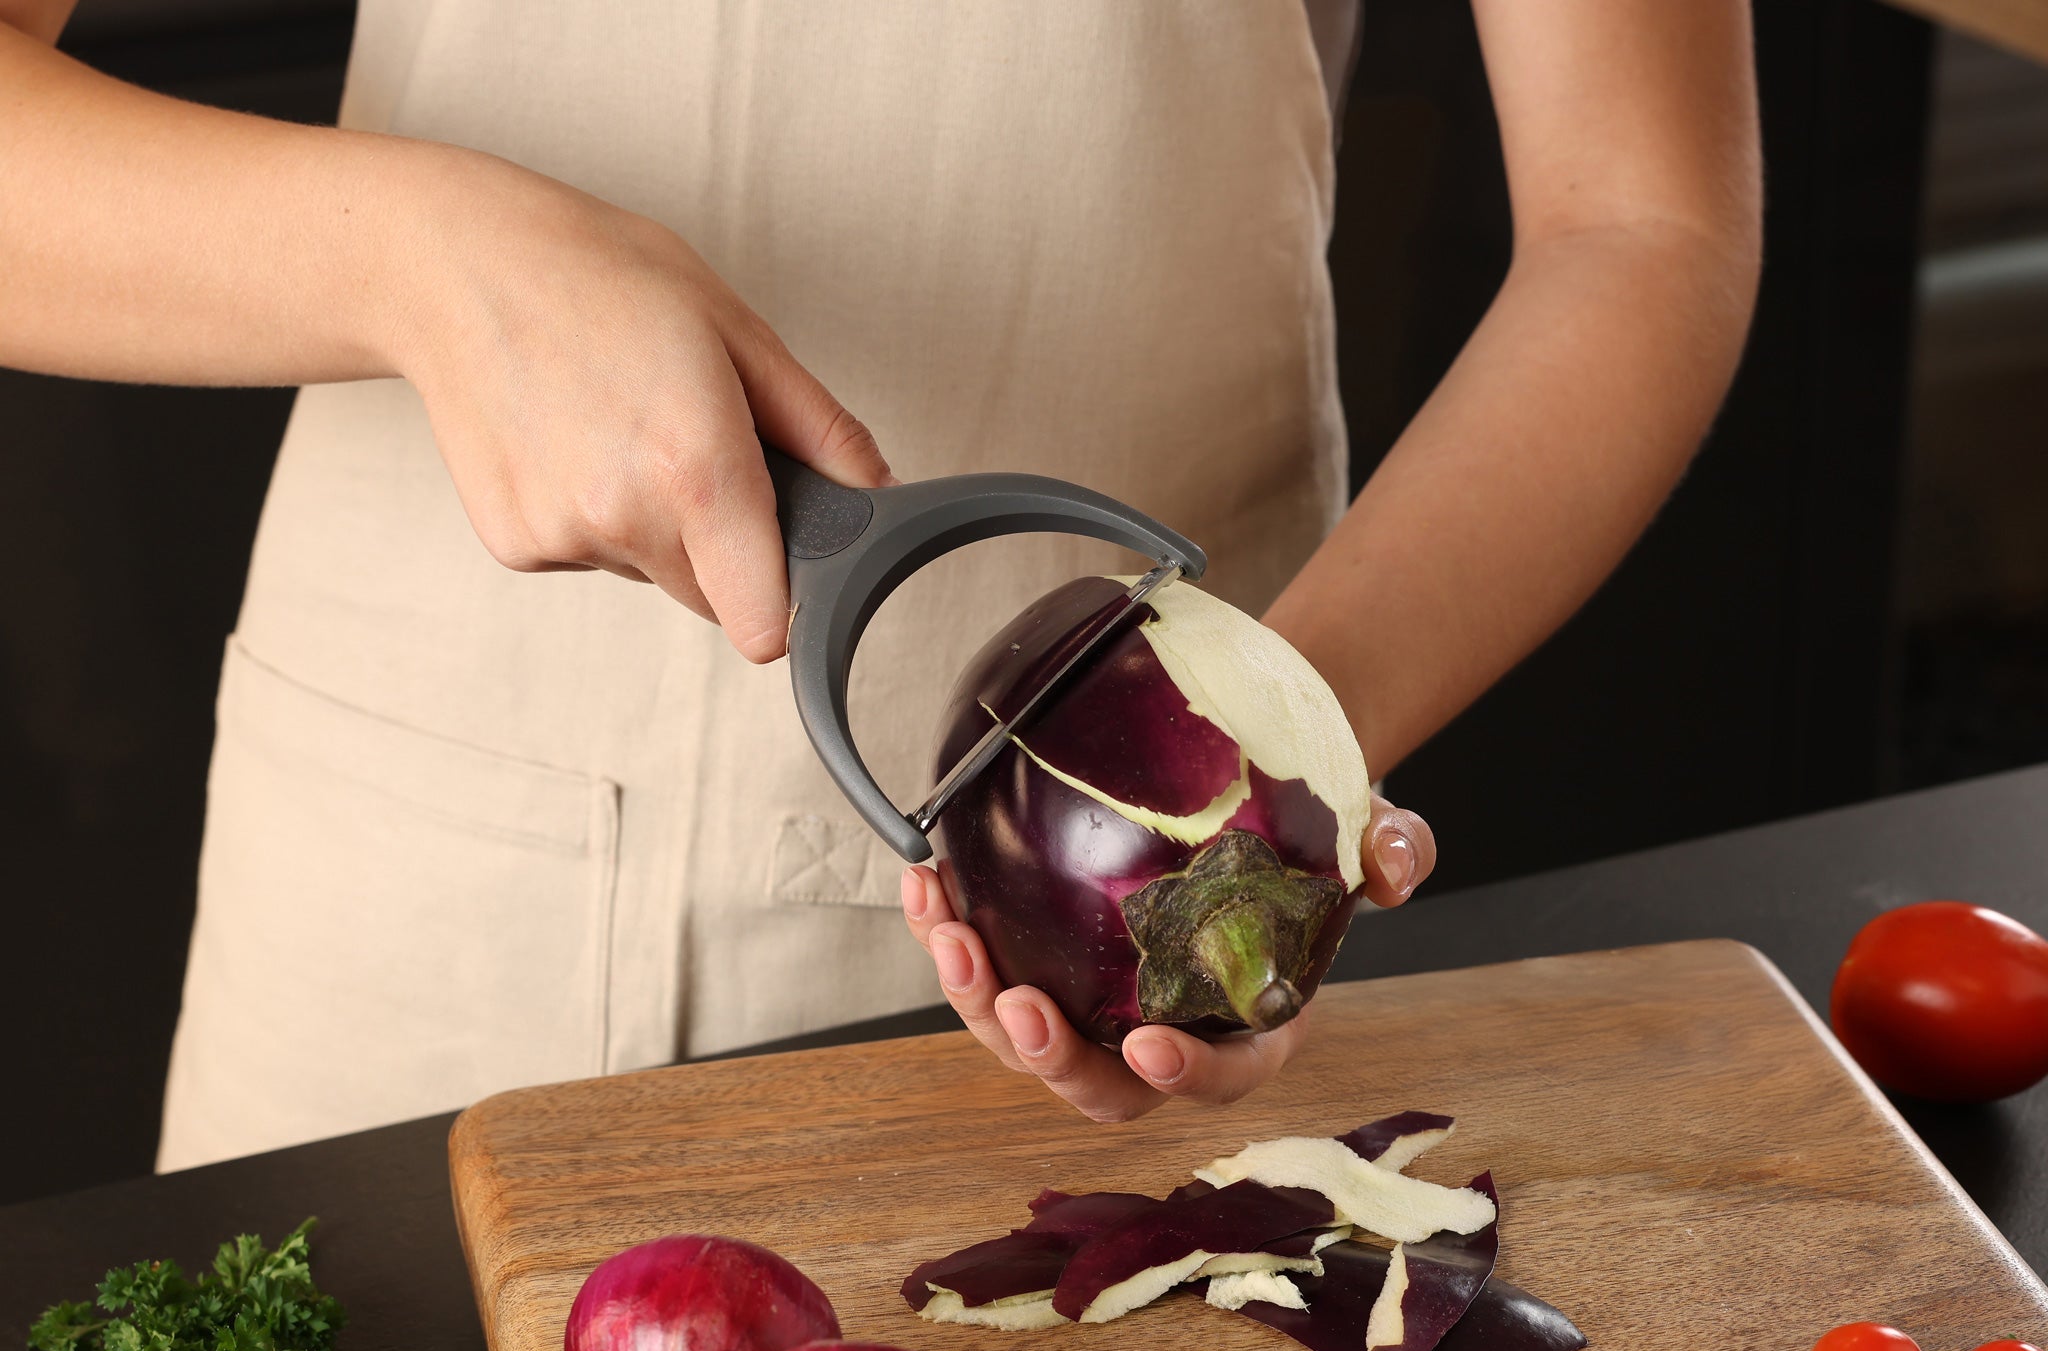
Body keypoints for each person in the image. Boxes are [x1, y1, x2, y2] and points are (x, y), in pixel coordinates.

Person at [0, 1, 1761, 1165]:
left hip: (1103, 954)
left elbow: (1642, 222)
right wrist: (422, 259)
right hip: (414, 891)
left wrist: (1266, 761)